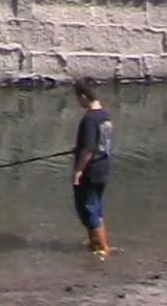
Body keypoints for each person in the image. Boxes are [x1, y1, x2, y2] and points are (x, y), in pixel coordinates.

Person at [71, 77, 113, 259]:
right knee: (95, 206)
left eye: (77, 97)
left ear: (83, 96)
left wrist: (78, 171)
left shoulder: (89, 119)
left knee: (88, 208)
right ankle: (94, 242)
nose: (77, 101)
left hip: (90, 169)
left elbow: (88, 150)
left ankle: (103, 248)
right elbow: (99, 142)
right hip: (103, 166)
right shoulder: (104, 115)